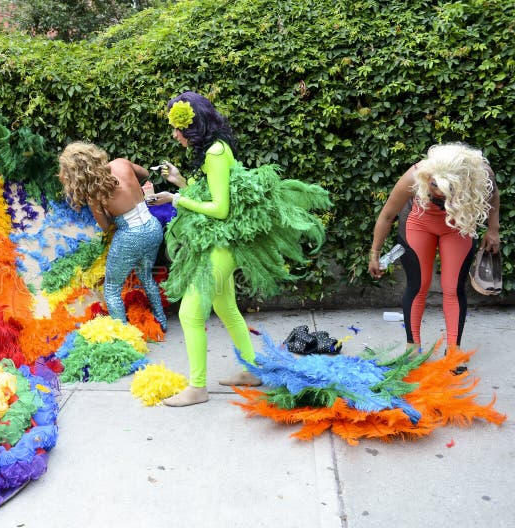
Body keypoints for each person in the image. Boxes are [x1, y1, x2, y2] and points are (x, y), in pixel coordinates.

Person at [151, 91, 330, 407]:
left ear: (193, 125)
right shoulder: (214, 150)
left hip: (220, 245)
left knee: (190, 314)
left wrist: (175, 200)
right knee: (225, 307)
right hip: (219, 241)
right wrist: (180, 181)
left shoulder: (217, 152)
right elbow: (212, 195)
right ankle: (251, 371)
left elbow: (220, 208)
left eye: (178, 127)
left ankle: (197, 388)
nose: (175, 134)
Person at [369, 142, 500, 351]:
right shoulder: (415, 174)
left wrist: (493, 229)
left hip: (459, 224)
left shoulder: (481, 173)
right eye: (433, 185)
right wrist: (375, 254)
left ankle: (453, 351)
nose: (437, 192)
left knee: (453, 288)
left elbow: (493, 198)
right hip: (419, 223)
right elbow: (387, 215)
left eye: (445, 190)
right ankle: (413, 349)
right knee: (418, 285)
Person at [58, 142, 167, 331]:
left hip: (130, 236)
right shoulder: (121, 163)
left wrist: (107, 208)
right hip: (152, 227)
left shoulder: (94, 192)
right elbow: (145, 174)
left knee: (111, 289)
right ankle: (162, 321)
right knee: (146, 276)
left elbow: (107, 226)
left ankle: (125, 338)